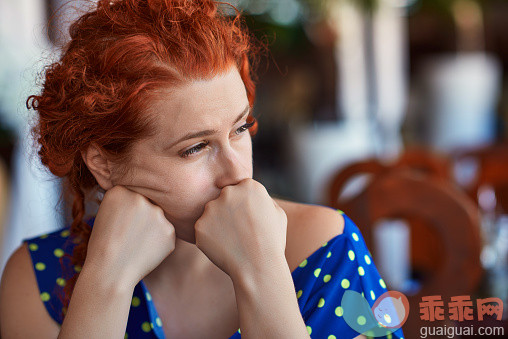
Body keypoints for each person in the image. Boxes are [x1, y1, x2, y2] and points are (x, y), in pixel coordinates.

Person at [0, 1, 405, 338]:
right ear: (103, 164)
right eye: (195, 148)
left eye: (240, 128)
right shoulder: (39, 280)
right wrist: (106, 284)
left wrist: (262, 273)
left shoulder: (326, 249)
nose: (237, 173)